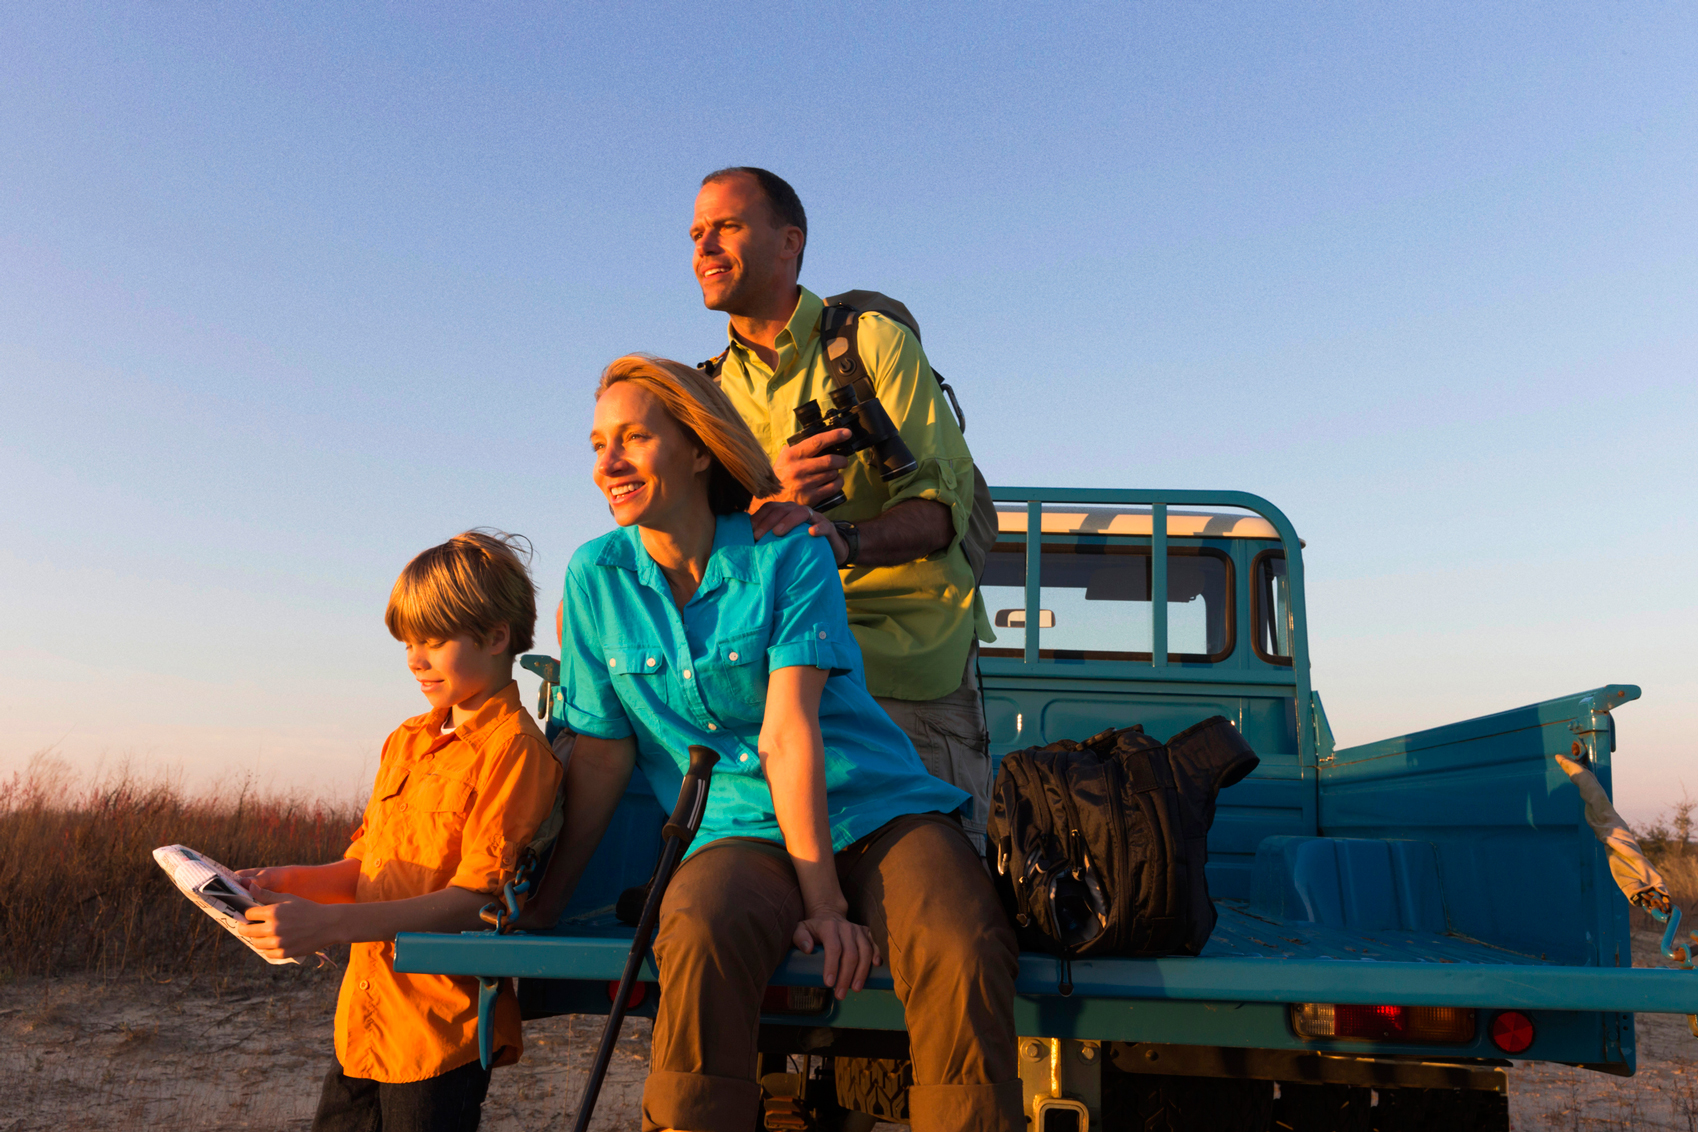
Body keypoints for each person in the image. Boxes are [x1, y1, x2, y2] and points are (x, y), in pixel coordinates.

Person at [520, 355, 1020, 1132]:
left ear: (695, 448)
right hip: (735, 830)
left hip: (872, 810)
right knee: (699, 927)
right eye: (596, 445)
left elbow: (790, 733)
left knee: (961, 935)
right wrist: (544, 909)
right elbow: (602, 753)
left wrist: (825, 906)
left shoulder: (788, 551)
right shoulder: (596, 577)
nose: (607, 465)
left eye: (631, 440)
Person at [688, 166, 995, 848]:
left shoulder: (872, 343)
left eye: (727, 227)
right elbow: (688, 552)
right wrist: (771, 498)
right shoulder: (703, 396)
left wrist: (841, 537)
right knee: (798, 918)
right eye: (696, 233)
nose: (703, 248)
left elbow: (942, 511)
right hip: (771, 679)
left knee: (941, 900)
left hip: (903, 672)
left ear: (789, 242)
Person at [235, 531, 564, 1132]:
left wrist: (327, 926)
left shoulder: (516, 750)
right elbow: (366, 868)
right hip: (363, 1023)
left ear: (496, 637)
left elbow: (478, 904)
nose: (415, 658)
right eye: (408, 641)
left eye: (434, 640)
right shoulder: (407, 740)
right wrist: (277, 882)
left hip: (439, 1032)